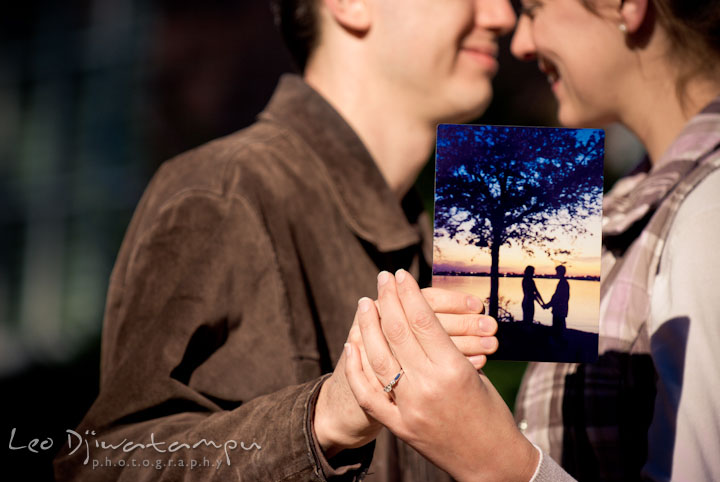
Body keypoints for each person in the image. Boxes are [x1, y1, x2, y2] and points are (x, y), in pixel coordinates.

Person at [53, 0, 516, 480]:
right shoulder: (223, 191)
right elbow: (105, 465)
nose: (502, 15)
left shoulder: (433, 239)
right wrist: (325, 417)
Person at [344, 0, 720, 480]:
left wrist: (494, 458)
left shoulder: (710, 211)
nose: (519, 41)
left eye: (536, 7)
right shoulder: (630, 206)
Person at [543, 265, 569, 334]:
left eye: (557, 272)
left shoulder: (562, 283)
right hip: (561, 309)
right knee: (560, 327)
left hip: (559, 309)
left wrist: (548, 305)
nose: (556, 274)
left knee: (558, 328)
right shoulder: (563, 283)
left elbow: (557, 298)